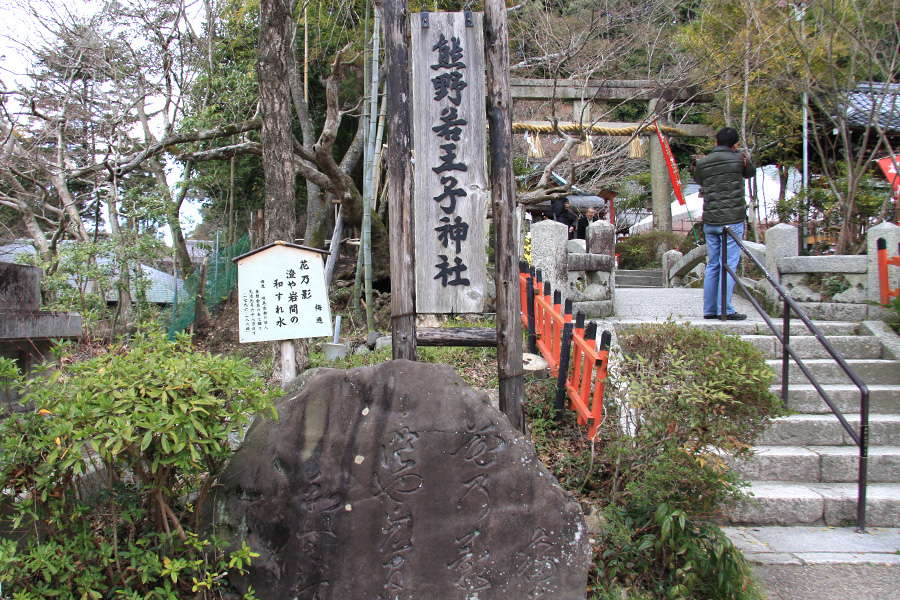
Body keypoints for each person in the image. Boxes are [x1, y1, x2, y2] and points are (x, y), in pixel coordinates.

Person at [693, 126, 755, 320]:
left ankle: (710, 309)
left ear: (716, 143)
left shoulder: (702, 163)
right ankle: (725, 309)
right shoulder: (740, 159)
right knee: (728, 264)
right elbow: (750, 172)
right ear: (735, 144)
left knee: (713, 264)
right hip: (733, 220)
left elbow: (698, 178)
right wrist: (740, 154)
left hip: (710, 219)